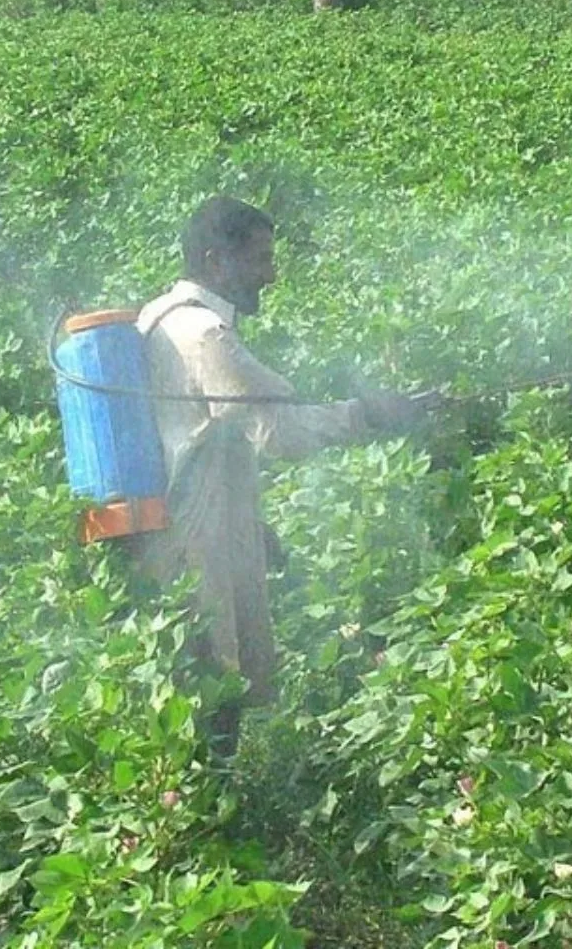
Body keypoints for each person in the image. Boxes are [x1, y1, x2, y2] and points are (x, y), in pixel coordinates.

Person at [134, 195, 429, 756]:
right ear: (216, 260)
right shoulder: (203, 334)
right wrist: (369, 415)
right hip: (196, 536)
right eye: (260, 259)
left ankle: (199, 818)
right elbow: (276, 432)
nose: (271, 274)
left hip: (185, 525)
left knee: (200, 684)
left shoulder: (160, 318)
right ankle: (206, 823)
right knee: (214, 686)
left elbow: (205, 432)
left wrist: (256, 524)